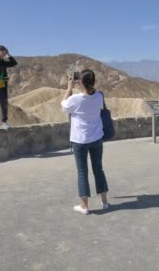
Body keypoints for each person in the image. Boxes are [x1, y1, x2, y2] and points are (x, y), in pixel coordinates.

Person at [61, 69, 110, 215]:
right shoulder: (99, 96)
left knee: (82, 172)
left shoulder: (75, 99)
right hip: (96, 138)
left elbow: (63, 106)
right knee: (98, 169)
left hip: (80, 140)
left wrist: (69, 87)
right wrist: (82, 86)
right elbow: (92, 97)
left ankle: (84, 206)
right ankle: (105, 201)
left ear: (80, 82)